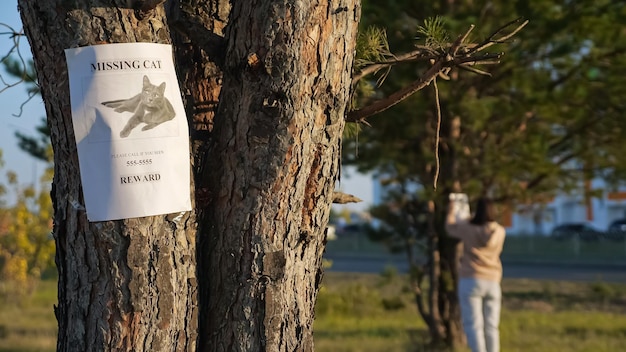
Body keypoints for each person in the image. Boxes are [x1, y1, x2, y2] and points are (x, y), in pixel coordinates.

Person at [445, 197, 506, 352]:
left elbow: (449, 228)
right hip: (493, 280)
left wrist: (452, 209)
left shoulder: (468, 227)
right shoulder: (499, 231)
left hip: (471, 278)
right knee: (492, 326)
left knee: (473, 325)